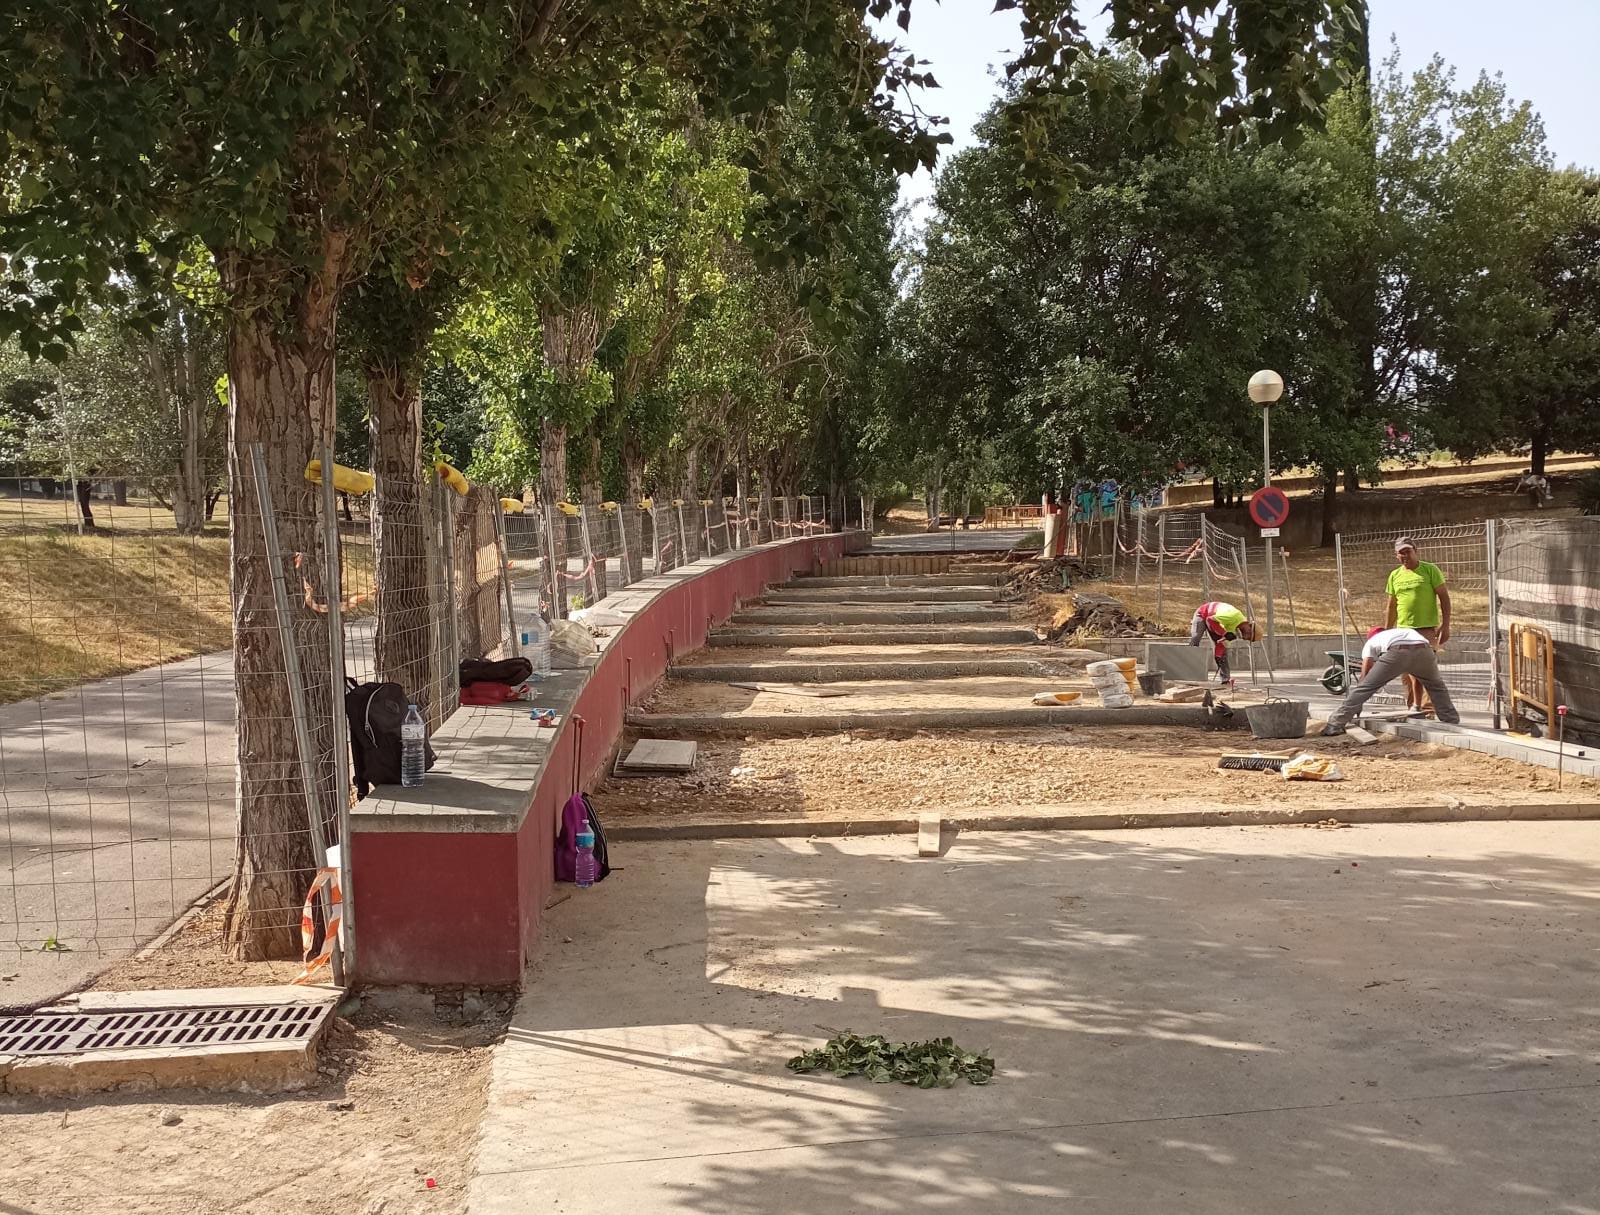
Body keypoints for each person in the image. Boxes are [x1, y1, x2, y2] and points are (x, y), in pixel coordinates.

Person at [1323, 627, 1460, 734]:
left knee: (1366, 687)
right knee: (1436, 687)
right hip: (1425, 650)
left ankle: (1335, 724)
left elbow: (1365, 676)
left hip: (1398, 652)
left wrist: (1357, 704)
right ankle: (1451, 721)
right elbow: (1418, 678)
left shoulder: (1371, 642)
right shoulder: (1401, 632)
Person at [1385, 536, 1450, 714]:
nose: (1405, 555)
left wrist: (1446, 625)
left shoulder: (1430, 570)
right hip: (1403, 631)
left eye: (1408, 551)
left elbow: (1444, 598)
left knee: (1425, 670)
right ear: (1396, 555)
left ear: (1415, 551)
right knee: (1406, 672)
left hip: (1426, 630)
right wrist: (1387, 631)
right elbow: (1391, 605)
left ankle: (1427, 710)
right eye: (1401, 553)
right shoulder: (1395, 576)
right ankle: (1413, 708)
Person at [1188, 601, 1257, 683]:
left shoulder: (1236, 628)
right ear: (1249, 626)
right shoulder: (1233, 616)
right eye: (1247, 634)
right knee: (1195, 639)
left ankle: (1225, 680)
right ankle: (1187, 673)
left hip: (1214, 622)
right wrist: (1224, 633)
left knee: (1222, 655)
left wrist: (1218, 656)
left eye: (1247, 638)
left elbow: (1222, 643)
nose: (1244, 636)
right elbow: (1209, 620)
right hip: (1203, 614)